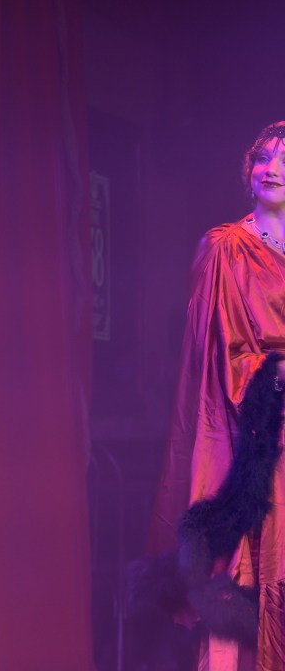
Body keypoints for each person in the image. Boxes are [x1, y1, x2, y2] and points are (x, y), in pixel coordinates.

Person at [149, 121, 285, 670]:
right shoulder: (224, 248)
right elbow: (212, 351)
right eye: (265, 157)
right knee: (247, 570)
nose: (273, 167)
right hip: (249, 432)